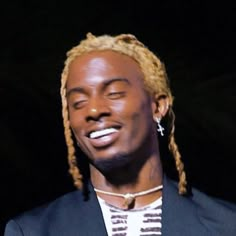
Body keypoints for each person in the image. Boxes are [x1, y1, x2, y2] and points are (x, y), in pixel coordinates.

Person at [4, 33, 236, 236]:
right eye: (78, 102)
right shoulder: (32, 231)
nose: (93, 110)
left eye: (114, 93)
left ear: (158, 106)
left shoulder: (226, 225)